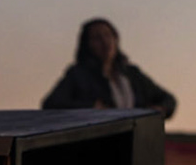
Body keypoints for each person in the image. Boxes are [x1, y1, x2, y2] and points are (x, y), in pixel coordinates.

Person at [41, 18, 178, 117]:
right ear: (87, 44)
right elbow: (51, 104)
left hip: (136, 141)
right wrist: (89, 107)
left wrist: (158, 110)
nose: (105, 41)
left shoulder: (131, 74)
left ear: (115, 39)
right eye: (97, 38)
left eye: (108, 35)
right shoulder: (78, 74)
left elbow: (168, 99)